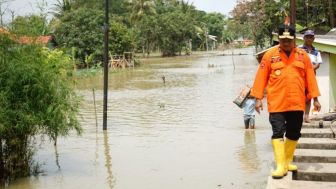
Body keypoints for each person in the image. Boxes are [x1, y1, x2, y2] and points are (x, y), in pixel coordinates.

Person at [250, 24, 321, 179]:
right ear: (279, 39)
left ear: (294, 39)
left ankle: (287, 161)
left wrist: (315, 98)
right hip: (277, 102)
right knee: (277, 132)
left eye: (289, 40)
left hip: (296, 102)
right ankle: (280, 165)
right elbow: (260, 77)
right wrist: (257, 99)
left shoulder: (303, 56)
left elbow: (310, 78)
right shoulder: (270, 55)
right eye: (283, 40)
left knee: (294, 132)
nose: (286, 43)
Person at [299, 30, 323, 123]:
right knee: (299, 97)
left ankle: (306, 116)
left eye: (311, 37)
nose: (309, 39)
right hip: (300, 76)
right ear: (304, 38)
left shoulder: (316, 51)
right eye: (307, 37)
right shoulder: (299, 49)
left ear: (313, 39)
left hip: (312, 76)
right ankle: (298, 117)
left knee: (309, 96)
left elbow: (318, 64)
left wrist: (311, 69)